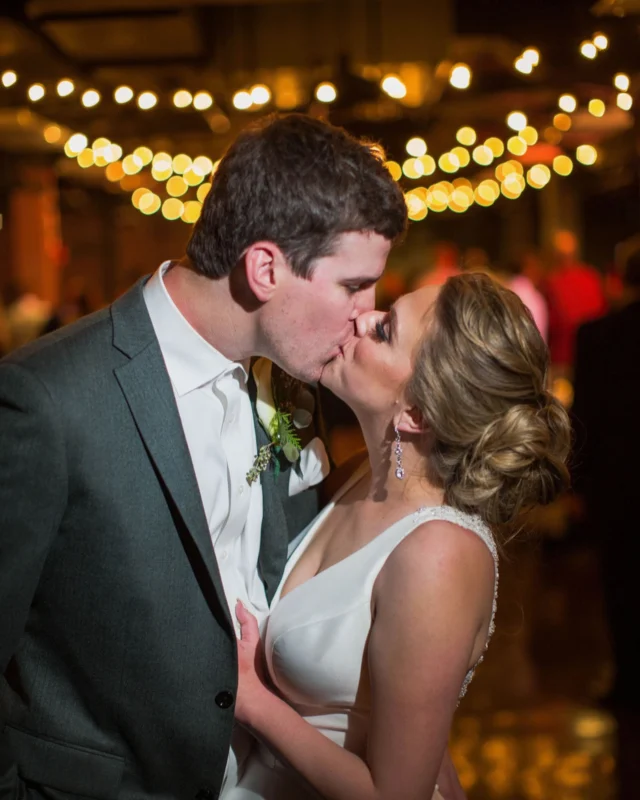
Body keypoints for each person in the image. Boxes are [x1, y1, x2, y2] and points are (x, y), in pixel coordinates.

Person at [0, 114, 407, 798]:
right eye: (353, 286)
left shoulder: (286, 379)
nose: (366, 314)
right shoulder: (47, 400)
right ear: (265, 268)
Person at [227, 273, 571, 800]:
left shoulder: (441, 555)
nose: (361, 318)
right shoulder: (352, 480)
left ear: (417, 413)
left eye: (385, 330)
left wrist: (253, 703)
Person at [571, 246, 640, 712]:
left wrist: (577, 484)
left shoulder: (597, 335)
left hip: (618, 482)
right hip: (616, 479)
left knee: (621, 585)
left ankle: (628, 680)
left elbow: (584, 420)